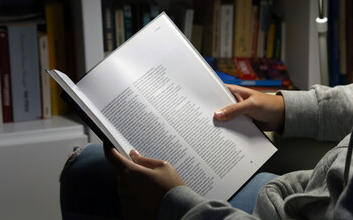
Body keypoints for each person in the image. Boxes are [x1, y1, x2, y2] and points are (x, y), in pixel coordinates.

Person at [60, 84, 353, 220]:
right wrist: (289, 108)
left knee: (87, 175)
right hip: (301, 191)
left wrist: (176, 205)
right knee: (93, 166)